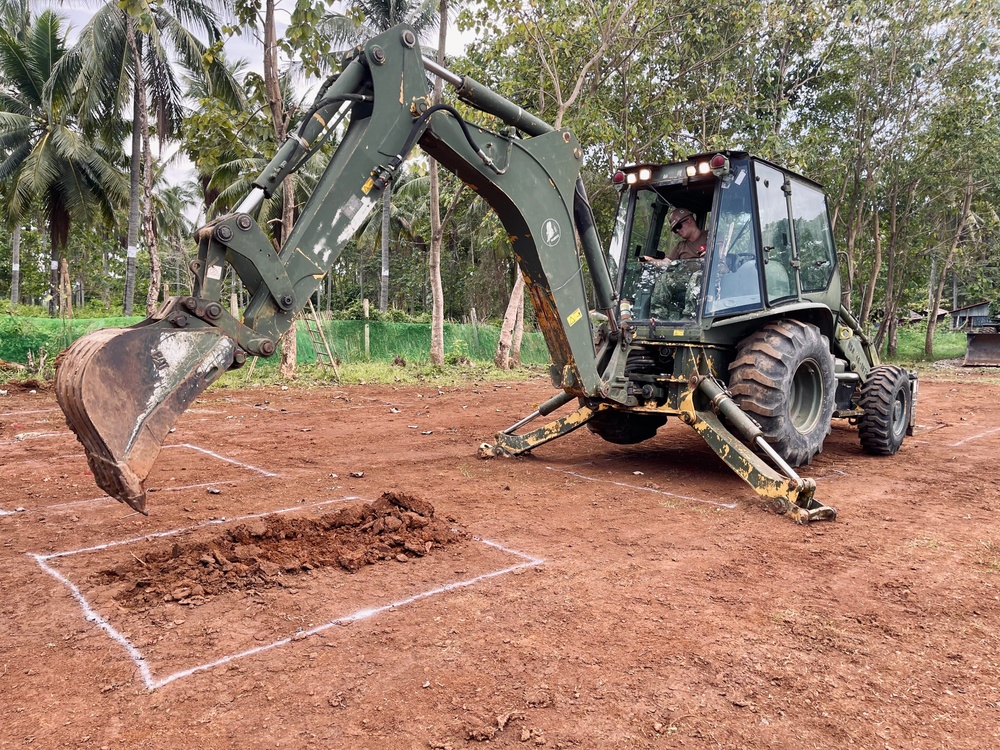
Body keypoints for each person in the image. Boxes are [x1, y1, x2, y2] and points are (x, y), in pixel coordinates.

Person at [647, 207, 709, 319]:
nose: (677, 231)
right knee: (665, 278)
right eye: (674, 230)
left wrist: (711, 254)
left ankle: (690, 317)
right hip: (686, 279)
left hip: (708, 278)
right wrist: (650, 260)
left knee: (697, 276)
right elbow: (666, 263)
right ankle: (658, 317)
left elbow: (721, 256)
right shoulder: (681, 246)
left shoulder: (710, 235)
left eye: (678, 227)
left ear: (689, 220)